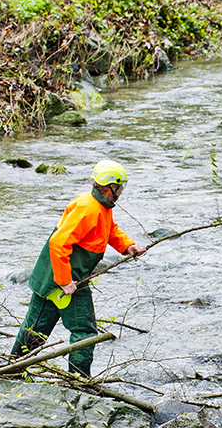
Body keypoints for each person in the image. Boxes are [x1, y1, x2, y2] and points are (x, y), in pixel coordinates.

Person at [10, 160, 146, 377]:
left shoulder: (101, 206)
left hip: (73, 278)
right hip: (59, 280)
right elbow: (58, 244)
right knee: (65, 330)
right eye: (119, 188)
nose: (121, 192)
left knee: (47, 328)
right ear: (109, 187)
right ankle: (74, 378)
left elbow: (109, 230)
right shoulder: (87, 209)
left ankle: (16, 370)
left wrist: (128, 246)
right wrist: (65, 282)